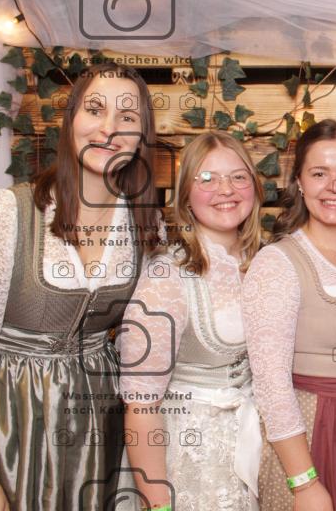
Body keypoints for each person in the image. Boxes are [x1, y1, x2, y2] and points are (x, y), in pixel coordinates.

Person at [0, 62, 163, 509]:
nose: (109, 129)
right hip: (9, 419)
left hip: (98, 431)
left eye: (127, 117)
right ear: (70, 121)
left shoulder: (147, 228)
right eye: (95, 109)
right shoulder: (5, 214)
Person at [243, 119, 336, 511]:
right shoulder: (277, 262)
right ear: (299, 181)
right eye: (319, 173)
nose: (335, 186)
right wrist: (304, 483)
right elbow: (271, 386)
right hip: (316, 431)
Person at [120, 130, 264, 510]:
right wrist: (159, 503)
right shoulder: (167, 277)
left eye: (238, 177)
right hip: (192, 460)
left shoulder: (266, 262)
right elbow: (141, 406)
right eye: (207, 178)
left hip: (257, 449)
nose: (225, 189)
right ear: (185, 195)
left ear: (254, 187)